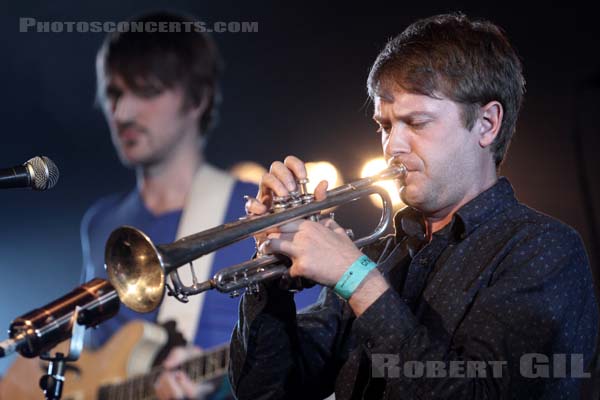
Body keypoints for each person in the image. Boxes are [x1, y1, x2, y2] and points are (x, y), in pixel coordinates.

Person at [230, 13, 599, 399]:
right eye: (385, 126)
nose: (393, 146)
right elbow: (267, 389)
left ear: (487, 124)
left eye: (417, 122)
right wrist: (269, 272)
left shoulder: (544, 249)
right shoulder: (379, 253)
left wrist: (358, 281)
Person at [80, 11, 321, 400]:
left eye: (146, 91)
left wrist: (222, 383)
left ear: (197, 98)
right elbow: (89, 354)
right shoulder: (100, 223)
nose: (122, 113)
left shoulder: (261, 209)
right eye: (113, 93)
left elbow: (309, 352)